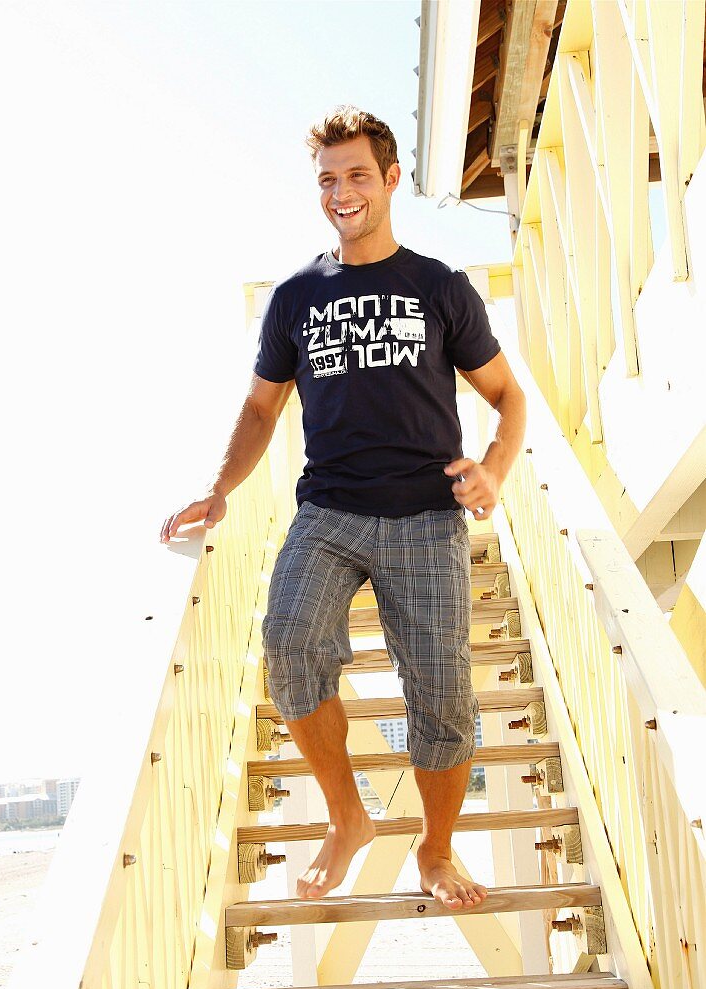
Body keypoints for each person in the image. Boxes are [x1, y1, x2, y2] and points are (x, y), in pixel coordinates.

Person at [160, 106, 526, 911]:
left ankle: (435, 849)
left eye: (357, 175)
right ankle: (347, 818)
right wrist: (220, 490)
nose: (342, 192)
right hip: (327, 509)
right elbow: (261, 410)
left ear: (390, 180)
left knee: (442, 698)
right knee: (288, 644)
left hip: (427, 516)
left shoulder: (438, 286)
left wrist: (493, 473)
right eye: (328, 179)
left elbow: (507, 399)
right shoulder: (296, 295)